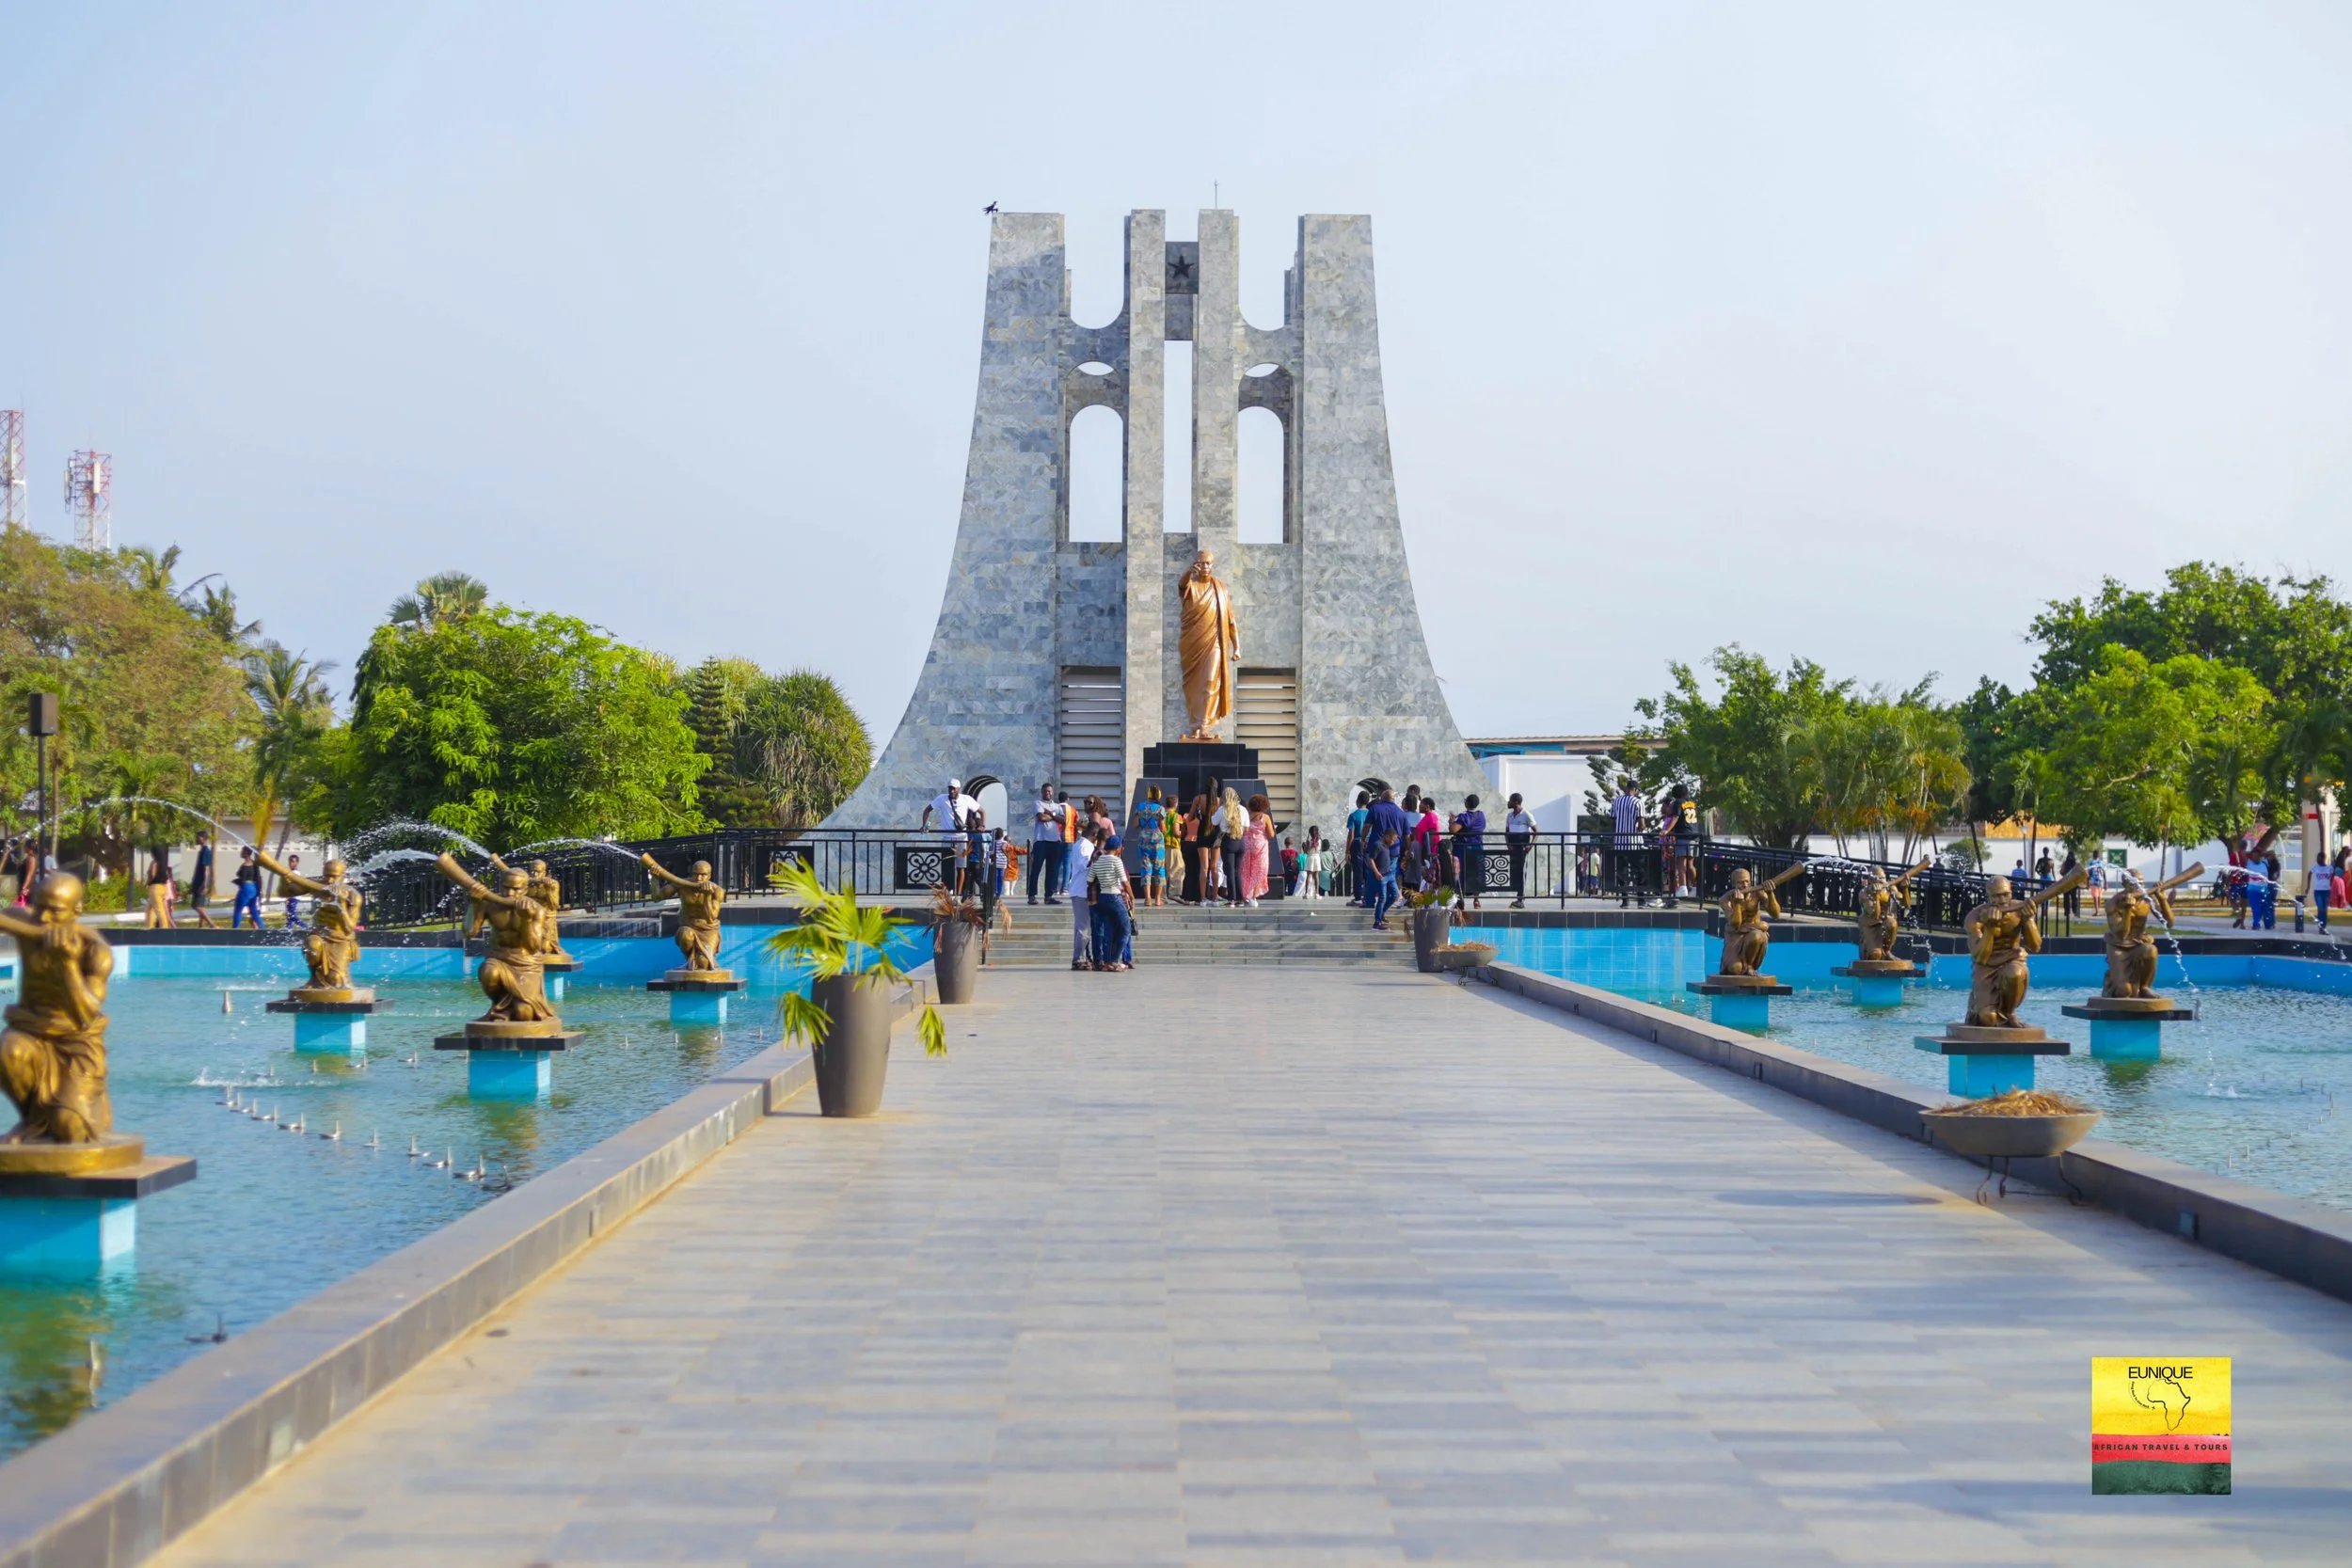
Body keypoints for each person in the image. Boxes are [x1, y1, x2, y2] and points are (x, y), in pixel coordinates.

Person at [920, 778, 978, 895]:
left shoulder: (966, 799)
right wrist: (924, 825)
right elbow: (927, 810)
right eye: (950, 789)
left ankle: (958, 893)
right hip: (947, 837)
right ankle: (948, 892)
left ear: (958, 789)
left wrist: (982, 825)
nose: (951, 791)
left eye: (953, 789)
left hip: (961, 838)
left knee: (961, 867)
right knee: (947, 867)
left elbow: (981, 811)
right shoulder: (942, 799)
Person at [1087, 827, 1133, 971]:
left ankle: (1107, 962)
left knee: (1109, 930)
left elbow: (1089, 880)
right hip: (1114, 895)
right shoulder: (1116, 861)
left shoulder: (1098, 860)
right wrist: (1131, 896)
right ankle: (1113, 961)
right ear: (1118, 848)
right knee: (1126, 929)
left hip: (1101, 898)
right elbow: (1125, 882)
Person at [1027, 784, 1067, 906]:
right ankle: (1032, 896)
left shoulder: (1057, 806)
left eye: (1050, 791)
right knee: (1036, 869)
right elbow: (1042, 818)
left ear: (1052, 792)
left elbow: (1064, 820)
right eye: (1046, 791)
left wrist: (1051, 814)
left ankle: (1048, 896)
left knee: (1051, 870)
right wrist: (1054, 817)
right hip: (1041, 841)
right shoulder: (1037, 803)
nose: (1048, 794)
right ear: (1042, 792)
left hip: (1054, 841)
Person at [1065, 823, 1097, 969]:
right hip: (1081, 891)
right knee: (1084, 929)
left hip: (1083, 891)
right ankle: (1078, 958)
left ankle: (1081, 957)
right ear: (1094, 835)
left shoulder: (1083, 844)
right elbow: (1084, 864)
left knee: (1081, 928)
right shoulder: (1084, 846)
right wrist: (1097, 857)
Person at [1134, 786, 1168, 907]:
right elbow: (1162, 827)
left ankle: (1147, 898)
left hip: (1143, 841)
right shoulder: (1160, 809)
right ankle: (1158, 899)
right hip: (1158, 843)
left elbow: (1136, 824)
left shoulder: (1140, 806)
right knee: (1159, 870)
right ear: (1158, 795)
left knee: (1146, 869)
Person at [1610, 777, 1643, 904]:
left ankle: (1625, 900)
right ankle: (1641, 899)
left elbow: (1612, 820)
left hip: (1620, 841)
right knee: (1638, 870)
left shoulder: (1617, 801)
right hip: (1634, 842)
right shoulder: (1638, 802)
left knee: (1622, 870)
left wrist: (1617, 832)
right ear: (1634, 790)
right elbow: (1642, 824)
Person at [1454, 793, 1486, 911]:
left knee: (1461, 872)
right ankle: (1476, 900)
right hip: (1477, 847)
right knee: (1477, 872)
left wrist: (1452, 821)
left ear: (1467, 803)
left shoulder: (1463, 817)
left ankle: (1460, 899)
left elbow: (1453, 830)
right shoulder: (1481, 815)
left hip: (1464, 848)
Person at [1240, 794, 1274, 907]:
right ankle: (1254, 897)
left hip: (1246, 845)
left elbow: (1242, 830)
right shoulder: (1265, 817)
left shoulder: (1246, 815)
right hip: (1261, 847)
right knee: (1259, 871)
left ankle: (1245, 896)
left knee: (1245, 871)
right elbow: (1271, 834)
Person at [1503, 793, 1536, 910]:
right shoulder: (1509, 816)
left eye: (1510, 800)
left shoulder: (1526, 815)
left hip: (1522, 848)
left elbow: (1536, 831)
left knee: (1520, 872)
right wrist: (1508, 844)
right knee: (1514, 872)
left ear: (1516, 802)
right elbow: (1506, 831)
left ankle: (1520, 899)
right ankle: (1519, 898)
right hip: (1513, 847)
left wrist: (1530, 846)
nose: (1508, 802)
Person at [1217, 787, 1248, 907]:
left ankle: (1231, 899)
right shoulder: (1243, 809)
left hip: (1228, 840)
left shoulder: (1223, 809)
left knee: (1229, 871)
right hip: (1240, 841)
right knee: (1237, 871)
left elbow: (1214, 821)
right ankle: (1240, 899)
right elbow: (1246, 827)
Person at [1367, 829, 1401, 930]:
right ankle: (1377, 923)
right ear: (1387, 836)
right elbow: (1371, 859)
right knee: (1382, 897)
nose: (1393, 842)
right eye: (1392, 840)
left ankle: (1381, 913)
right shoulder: (1377, 845)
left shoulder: (1387, 846)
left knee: (1395, 895)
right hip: (1381, 876)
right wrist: (1376, 872)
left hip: (1390, 875)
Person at [1344, 791, 1371, 904]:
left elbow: (1351, 834)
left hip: (1357, 844)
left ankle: (1358, 897)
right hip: (1369, 843)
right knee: (1368, 871)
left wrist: (1347, 851)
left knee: (1357, 872)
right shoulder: (1371, 814)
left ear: (1357, 801)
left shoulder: (1353, 816)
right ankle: (1368, 896)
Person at [187, 832, 217, 927]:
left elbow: (206, 869)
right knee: (201, 905)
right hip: (198, 881)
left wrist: (205, 885)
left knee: (196, 906)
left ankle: (212, 924)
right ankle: (201, 925)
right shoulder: (202, 851)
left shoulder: (206, 852)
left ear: (202, 838)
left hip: (201, 883)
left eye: (197, 837)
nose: (196, 838)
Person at [230, 847, 263, 928]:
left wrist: (236, 881)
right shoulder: (255, 864)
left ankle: (235, 930)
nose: (241, 852)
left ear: (246, 852)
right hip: (254, 889)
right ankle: (263, 929)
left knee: (238, 910)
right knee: (254, 911)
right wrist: (259, 892)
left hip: (245, 889)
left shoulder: (245, 865)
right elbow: (258, 877)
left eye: (242, 851)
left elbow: (242, 879)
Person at [143, 849, 176, 928]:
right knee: (149, 909)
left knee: (159, 910)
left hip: (155, 888)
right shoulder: (163, 863)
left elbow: (153, 874)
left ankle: (164, 929)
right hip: (162, 887)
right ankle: (149, 927)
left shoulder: (155, 862)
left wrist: (147, 883)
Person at [280, 852, 307, 928]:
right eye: (290, 861)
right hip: (293, 896)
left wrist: (288, 898)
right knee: (289, 916)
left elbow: (292, 887)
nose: (291, 863)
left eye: (293, 861)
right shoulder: (293, 873)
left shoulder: (294, 873)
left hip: (293, 897)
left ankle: (306, 928)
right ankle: (288, 931)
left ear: (297, 863)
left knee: (292, 915)